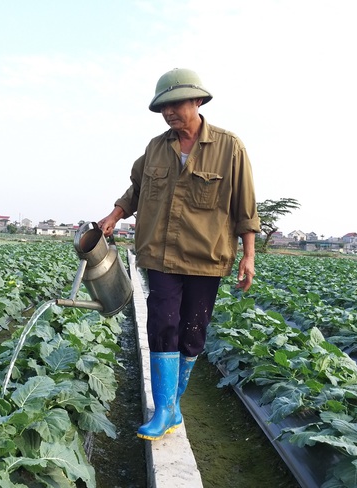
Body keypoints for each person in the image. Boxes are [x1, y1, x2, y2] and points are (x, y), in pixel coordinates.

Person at [98, 68, 261, 441]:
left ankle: (173, 404)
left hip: (206, 257)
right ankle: (163, 410)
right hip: (160, 254)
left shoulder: (229, 147)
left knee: (192, 332)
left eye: (176, 104)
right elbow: (135, 189)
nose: (169, 113)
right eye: (163, 107)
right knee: (162, 323)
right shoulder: (157, 147)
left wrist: (248, 256)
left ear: (198, 101)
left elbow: (245, 209)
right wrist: (114, 215)